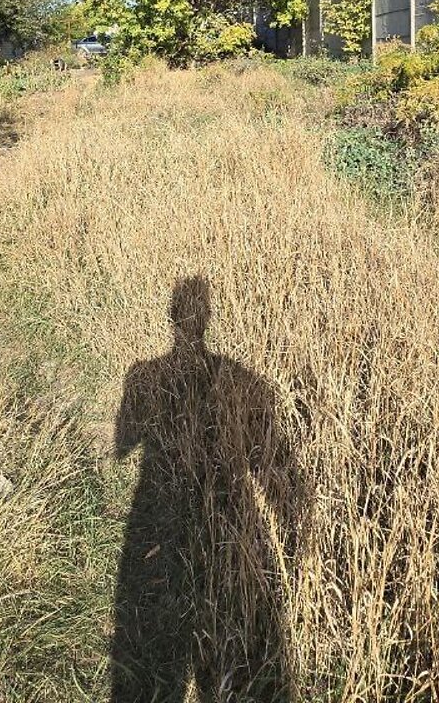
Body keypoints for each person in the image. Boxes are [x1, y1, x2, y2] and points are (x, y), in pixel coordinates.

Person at [110, 275, 306, 702]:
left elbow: (123, 445)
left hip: (162, 515)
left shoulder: (143, 374)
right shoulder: (241, 378)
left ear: (172, 319)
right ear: (207, 319)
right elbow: (271, 464)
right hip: (231, 521)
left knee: (166, 617)